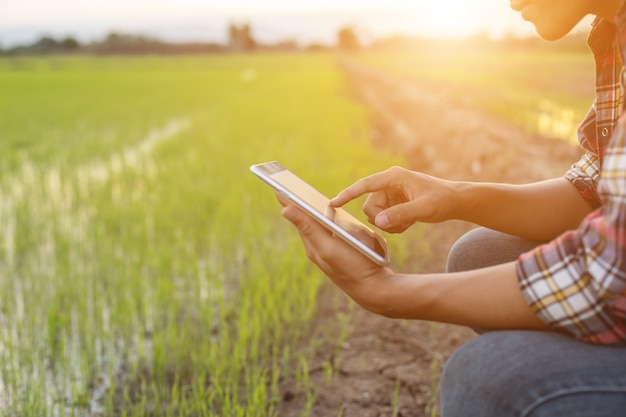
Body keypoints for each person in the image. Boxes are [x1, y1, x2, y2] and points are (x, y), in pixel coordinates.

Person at [277, 0, 626, 416]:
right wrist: (454, 197)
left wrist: (387, 292)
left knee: (485, 376)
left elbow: (607, 280)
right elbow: (594, 192)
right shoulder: (613, 34)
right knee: (477, 254)